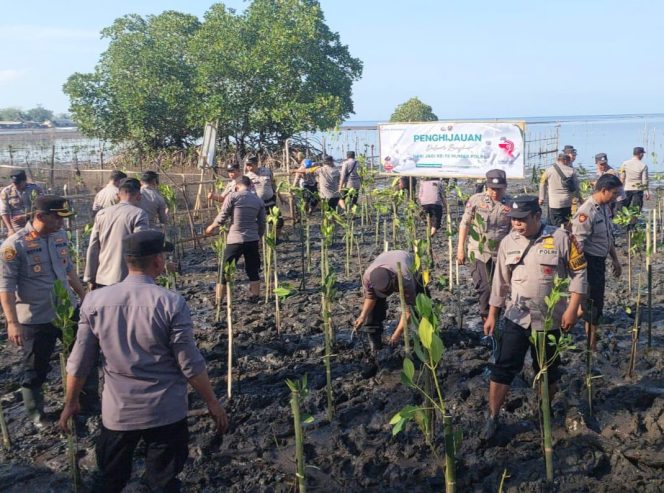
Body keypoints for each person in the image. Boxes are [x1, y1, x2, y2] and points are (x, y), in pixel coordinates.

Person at [59, 230, 229, 493]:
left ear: (127, 261)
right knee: (162, 482)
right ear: (158, 261)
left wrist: (70, 402)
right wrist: (212, 401)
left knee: (110, 480)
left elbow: (80, 360)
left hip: (118, 412)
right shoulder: (171, 302)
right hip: (165, 412)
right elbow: (189, 363)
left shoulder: (94, 301)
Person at [481, 195, 587, 440]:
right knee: (503, 367)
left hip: (549, 318)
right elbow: (500, 282)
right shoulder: (508, 242)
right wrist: (492, 314)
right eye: (514, 220)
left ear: (538, 216)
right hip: (517, 317)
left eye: (522, 220)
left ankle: (544, 410)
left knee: (547, 368)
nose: (517, 224)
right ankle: (492, 417)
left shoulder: (561, 238)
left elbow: (579, 272)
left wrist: (572, 308)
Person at [0, 195, 97, 427]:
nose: (62, 223)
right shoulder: (14, 246)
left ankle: (88, 401)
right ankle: (37, 415)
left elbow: (69, 270)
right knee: (35, 366)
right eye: (57, 218)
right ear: (41, 216)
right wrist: (12, 322)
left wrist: (84, 296)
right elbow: (6, 287)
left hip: (67, 311)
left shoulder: (59, 236)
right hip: (35, 318)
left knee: (84, 355)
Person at [571, 174, 623, 350]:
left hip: (599, 262)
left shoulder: (605, 207)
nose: (617, 197)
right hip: (589, 263)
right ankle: (591, 347)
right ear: (604, 190)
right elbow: (577, 246)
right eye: (614, 193)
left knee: (588, 304)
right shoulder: (587, 212)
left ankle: (564, 323)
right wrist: (581, 273)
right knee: (594, 305)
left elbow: (607, 237)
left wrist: (615, 260)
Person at [457, 169, 512, 323]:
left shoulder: (510, 204)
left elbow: (514, 231)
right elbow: (465, 224)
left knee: (499, 289)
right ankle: (486, 321)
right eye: (492, 189)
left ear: (505, 187)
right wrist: (460, 248)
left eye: (499, 189)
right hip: (478, 251)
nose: (495, 192)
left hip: (500, 254)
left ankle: (494, 322)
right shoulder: (476, 200)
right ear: (487, 187)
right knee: (484, 287)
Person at [205, 176, 266, 300]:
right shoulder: (258, 201)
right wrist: (258, 237)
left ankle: (219, 300)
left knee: (224, 270)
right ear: (250, 186)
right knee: (253, 269)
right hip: (252, 240)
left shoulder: (233, 196)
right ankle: (255, 296)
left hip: (235, 239)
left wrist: (212, 226)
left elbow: (223, 215)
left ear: (237, 186)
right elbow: (262, 223)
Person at [353, 250, 425, 352]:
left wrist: (396, 335)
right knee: (373, 312)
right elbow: (370, 298)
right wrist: (362, 316)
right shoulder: (368, 277)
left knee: (418, 308)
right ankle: (375, 346)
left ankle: (422, 340)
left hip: (407, 262)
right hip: (387, 262)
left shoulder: (406, 278)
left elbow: (408, 311)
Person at [84, 178, 149, 289]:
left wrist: (90, 277)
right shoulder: (138, 214)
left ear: (117, 195)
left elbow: (93, 247)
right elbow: (139, 247)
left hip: (102, 277)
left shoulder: (102, 214)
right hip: (127, 279)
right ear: (139, 196)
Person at [538, 153, 581, 227]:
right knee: (567, 223)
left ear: (558, 160)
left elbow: (542, 183)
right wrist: (579, 199)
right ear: (565, 161)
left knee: (555, 225)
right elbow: (576, 187)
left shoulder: (548, 171)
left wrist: (541, 198)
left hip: (554, 203)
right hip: (567, 202)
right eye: (569, 161)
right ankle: (566, 236)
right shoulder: (571, 171)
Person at [244, 156, 283, 236]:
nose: (249, 167)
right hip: (257, 204)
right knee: (259, 224)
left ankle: (276, 239)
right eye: (247, 165)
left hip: (271, 201)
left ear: (256, 164)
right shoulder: (247, 177)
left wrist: (280, 196)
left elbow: (273, 184)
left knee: (279, 222)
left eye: (250, 165)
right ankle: (261, 242)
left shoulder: (267, 171)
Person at [0, 169, 43, 235]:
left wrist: (25, 216)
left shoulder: (35, 189)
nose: (16, 185)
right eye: (14, 183)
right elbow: (4, 212)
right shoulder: (6, 192)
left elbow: (42, 209)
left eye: (18, 183)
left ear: (24, 180)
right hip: (16, 227)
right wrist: (10, 229)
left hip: (34, 224)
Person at [620, 146, 650, 212]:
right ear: (640, 154)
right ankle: (634, 222)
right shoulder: (643, 165)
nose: (643, 156)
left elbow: (622, 178)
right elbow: (644, 180)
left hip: (627, 188)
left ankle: (623, 221)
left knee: (624, 208)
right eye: (643, 154)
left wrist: (619, 189)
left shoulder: (625, 164)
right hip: (638, 189)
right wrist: (646, 191)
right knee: (636, 209)